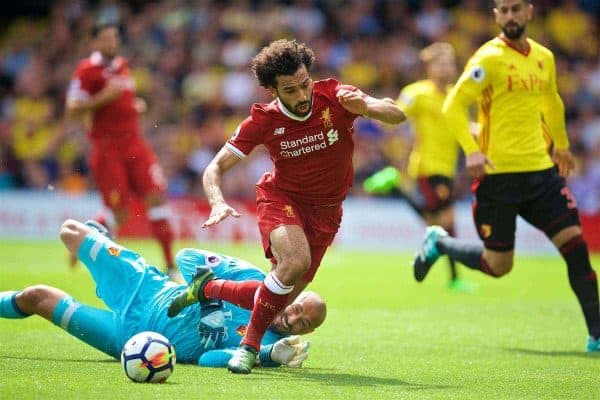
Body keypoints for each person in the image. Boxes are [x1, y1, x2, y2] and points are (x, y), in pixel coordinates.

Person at [197, 38, 405, 373]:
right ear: (273, 90)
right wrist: (217, 201)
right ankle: (248, 348)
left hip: (327, 212)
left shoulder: (335, 96)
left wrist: (367, 108)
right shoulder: (263, 121)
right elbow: (215, 167)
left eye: (305, 84)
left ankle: (207, 287)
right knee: (294, 261)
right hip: (282, 199)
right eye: (290, 90)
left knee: (284, 295)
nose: (302, 96)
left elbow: (397, 113)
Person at [412, 0, 599, 352]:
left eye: (516, 9)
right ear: (496, 16)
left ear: (529, 12)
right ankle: (440, 243)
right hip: (498, 178)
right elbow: (453, 104)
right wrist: (471, 149)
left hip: (541, 175)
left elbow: (552, 101)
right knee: (498, 265)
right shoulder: (487, 58)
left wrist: (561, 144)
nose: (510, 16)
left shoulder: (544, 57)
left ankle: (597, 335)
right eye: (503, 10)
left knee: (576, 249)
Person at [0, 219, 324, 367]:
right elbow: (187, 257)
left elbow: (210, 358)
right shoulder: (250, 277)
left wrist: (267, 357)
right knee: (70, 231)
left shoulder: (263, 344)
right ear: (292, 295)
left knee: (36, 297)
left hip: (127, 339)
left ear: (307, 332)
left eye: (301, 324)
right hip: (145, 287)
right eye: (297, 309)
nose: (291, 321)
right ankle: (101, 234)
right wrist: (209, 298)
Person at [62, 22, 178, 280]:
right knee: (120, 212)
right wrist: (105, 96)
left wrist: (133, 105)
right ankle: (84, 242)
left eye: (114, 38)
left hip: (135, 144)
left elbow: (119, 101)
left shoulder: (122, 65)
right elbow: (72, 108)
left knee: (156, 197)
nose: (111, 43)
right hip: (108, 149)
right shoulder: (87, 71)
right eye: (105, 39)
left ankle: (171, 267)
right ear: (94, 43)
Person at [363, 42, 474, 292]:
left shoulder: (455, 95)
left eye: (449, 62)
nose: (447, 67)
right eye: (441, 63)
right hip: (427, 165)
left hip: (448, 167)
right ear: (429, 67)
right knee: (446, 221)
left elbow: (463, 127)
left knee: (435, 221)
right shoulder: (417, 93)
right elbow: (396, 115)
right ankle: (455, 278)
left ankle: (396, 186)